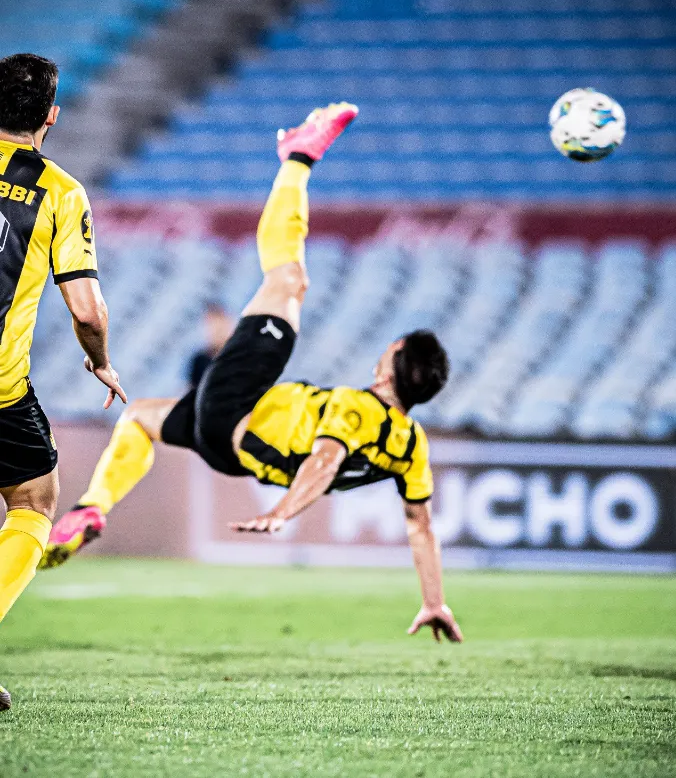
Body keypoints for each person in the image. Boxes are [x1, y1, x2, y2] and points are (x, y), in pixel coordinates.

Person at [41, 103, 463, 644]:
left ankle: (298, 157)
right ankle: (90, 509)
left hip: (236, 407)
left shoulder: (362, 409)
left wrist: (286, 511)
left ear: (392, 364)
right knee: (142, 419)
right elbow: (420, 525)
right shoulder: (412, 447)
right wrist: (434, 601)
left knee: (288, 278)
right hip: (233, 454)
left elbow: (326, 457)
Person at [0, 54, 126, 711]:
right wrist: (99, 359)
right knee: (33, 500)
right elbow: (86, 309)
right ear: (51, 115)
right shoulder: (58, 191)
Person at [186, 303, 234, 389]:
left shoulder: (245, 347)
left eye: (220, 327)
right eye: (212, 327)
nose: (217, 331)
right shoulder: (200, 361)